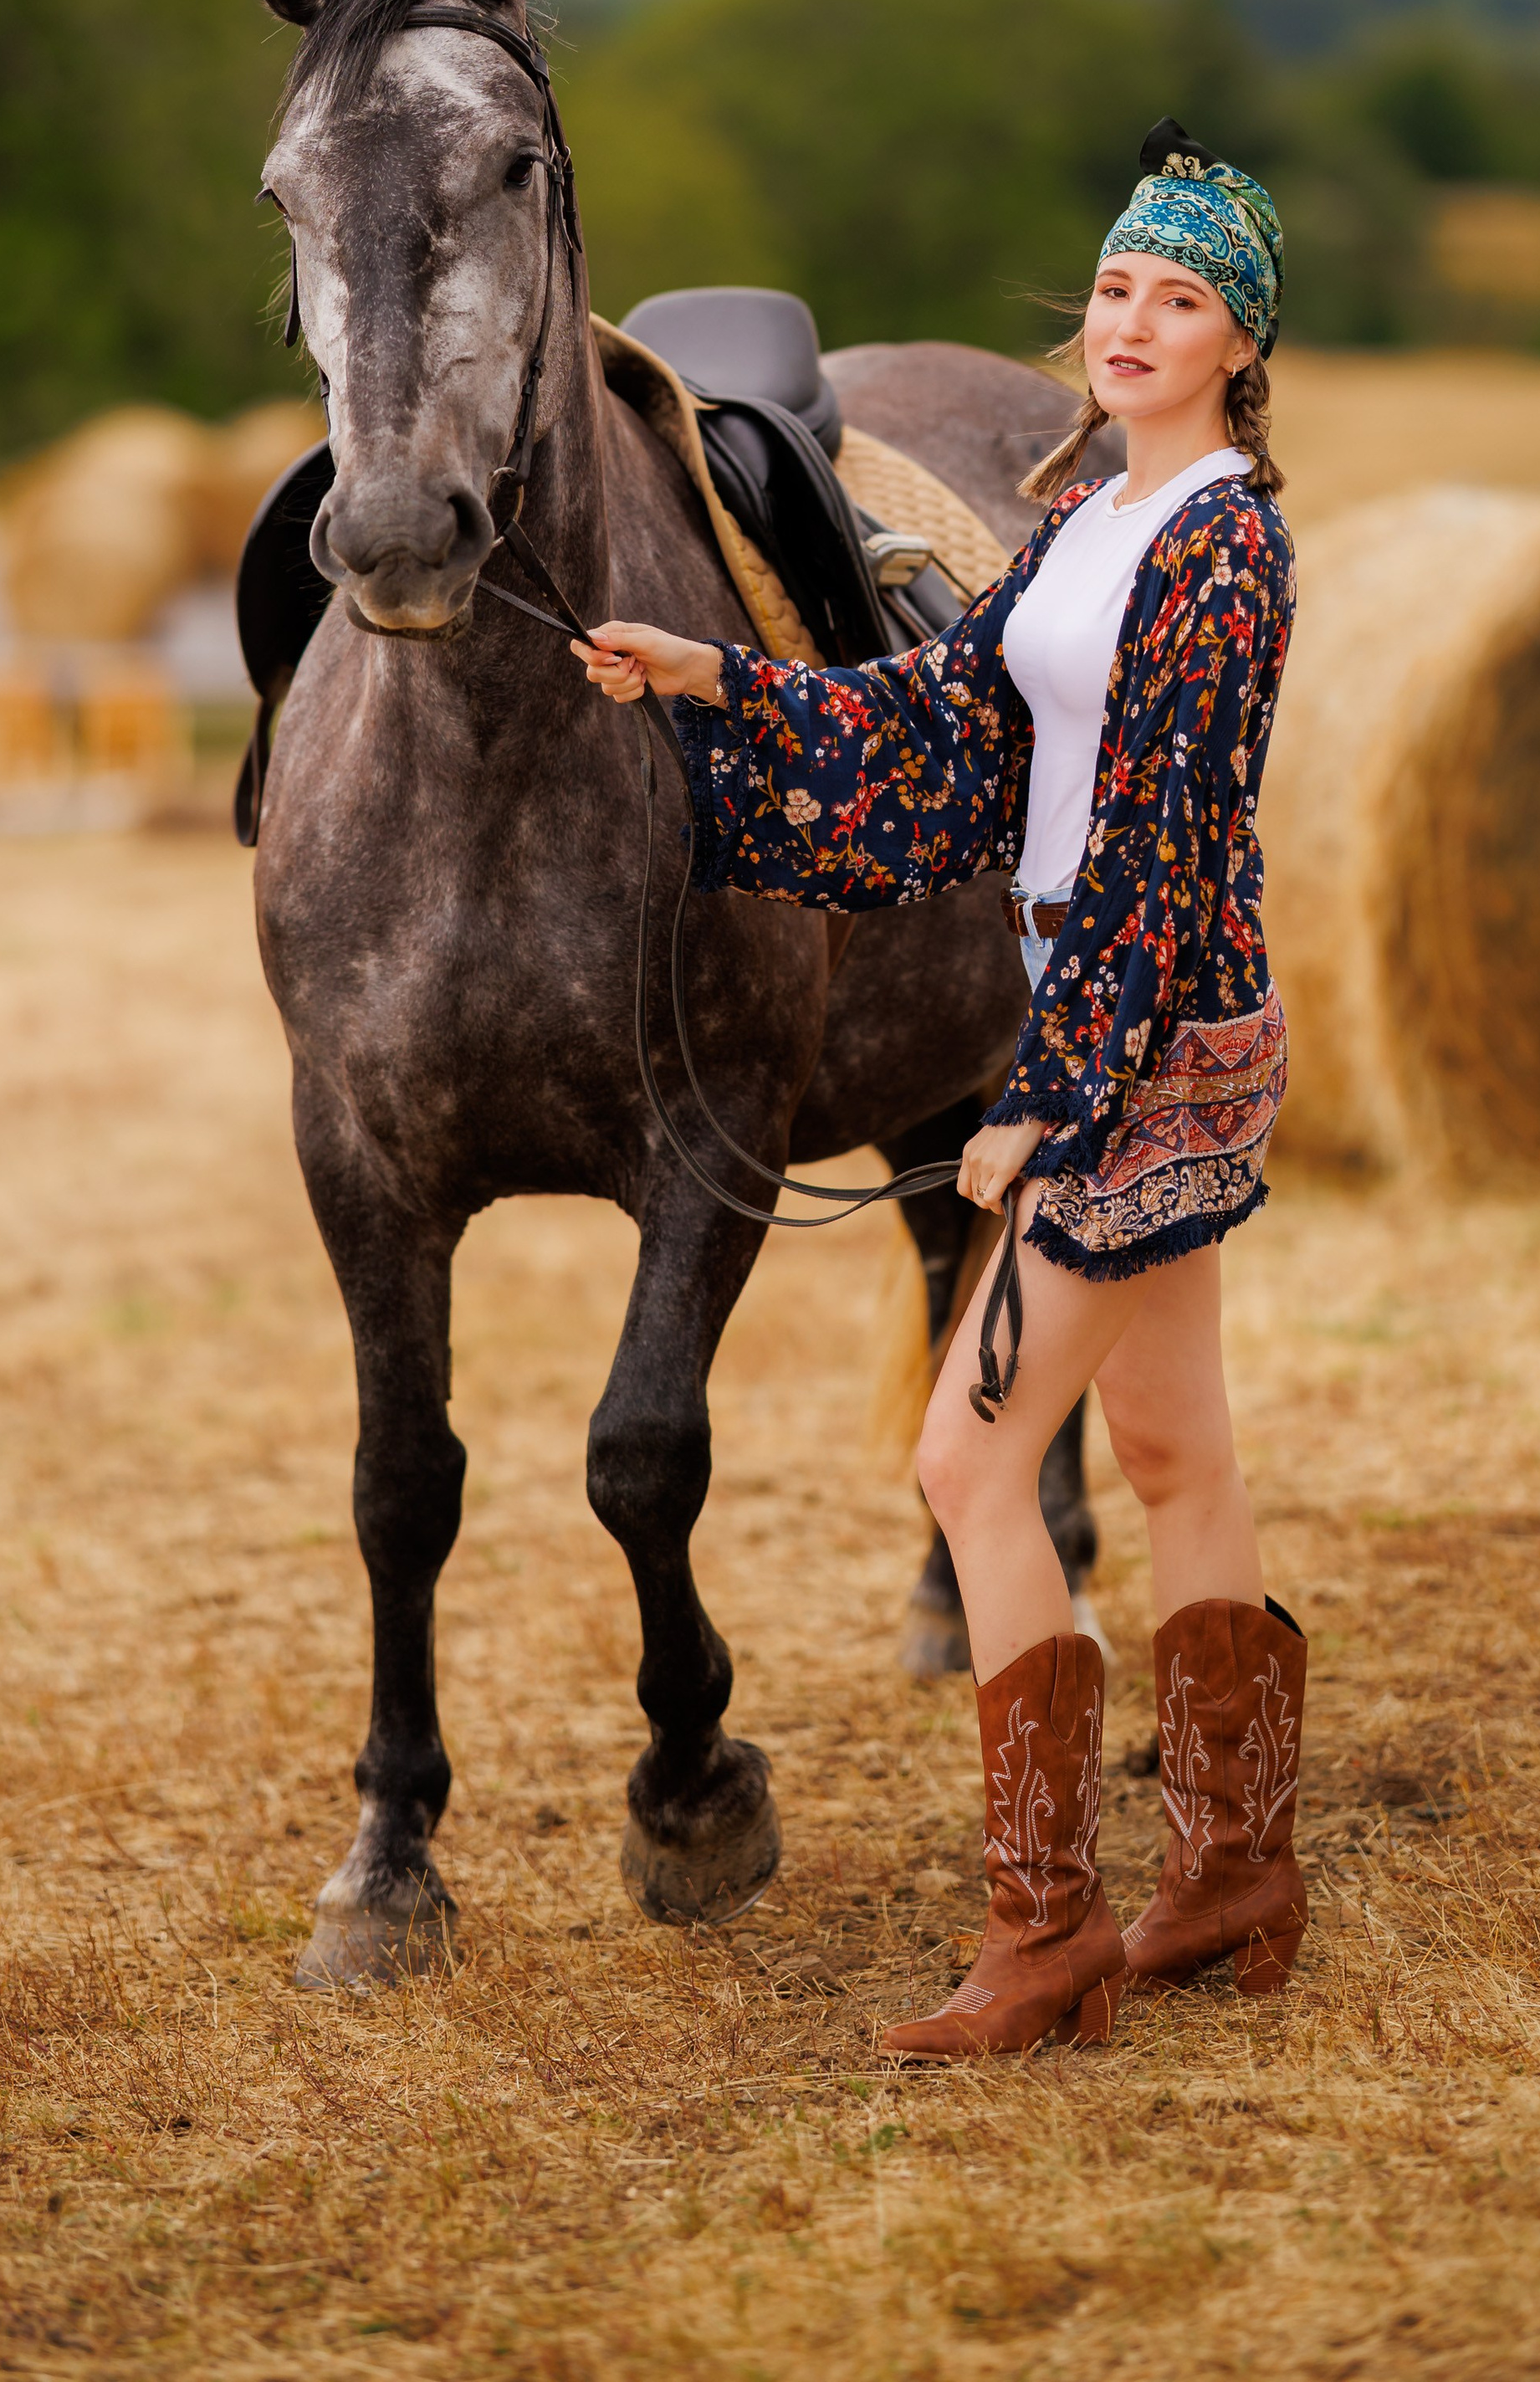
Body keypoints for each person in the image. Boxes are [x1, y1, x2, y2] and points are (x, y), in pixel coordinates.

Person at [573, 118, 1302, 2057]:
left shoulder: (1224, 548)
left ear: (1240, 342)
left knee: (967, 1461)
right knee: (1173, 1459)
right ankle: (1228, 1870)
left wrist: (1045, 1104)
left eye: (1181, 297)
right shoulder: (1082, 518)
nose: (1133, 320)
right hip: (1121, 1027)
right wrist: (712, 683)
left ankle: (1047, 1926)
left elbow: (1158, 851)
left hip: (1150, 1048)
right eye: (1117, 287)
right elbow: (950, 720)